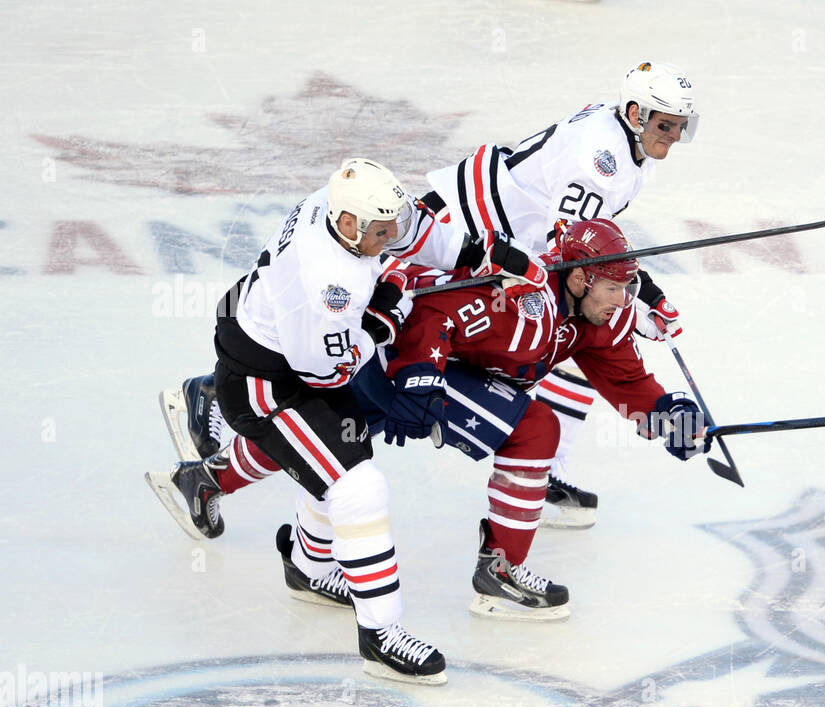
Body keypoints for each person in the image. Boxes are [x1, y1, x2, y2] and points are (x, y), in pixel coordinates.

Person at [159, 61, 701, 530]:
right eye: (666, 124)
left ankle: (539, 472)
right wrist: (644, 292)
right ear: (634, 114)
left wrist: (636, 292)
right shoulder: (601, 160)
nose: (675, 137)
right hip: (464, 230)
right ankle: (212, 393)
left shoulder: (623, 139)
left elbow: (585, 241)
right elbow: (578, 247)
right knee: (358, 343)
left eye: (683, 127)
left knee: (558, 349)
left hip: (500, 239)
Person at [146, 157, 546, 683]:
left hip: (270, 340)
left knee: (337, 458)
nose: (391, 238)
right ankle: (379, 634)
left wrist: (489, 255)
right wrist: (383, 317)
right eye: (380, 232)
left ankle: (309, 567)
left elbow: (414, 232)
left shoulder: (342, 205)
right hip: (269, 386)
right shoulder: (331, 284)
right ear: (352, 226)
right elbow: (331, 372)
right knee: (357, 487)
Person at [351, 217, 711, 621]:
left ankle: (306, 563)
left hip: (395, 365)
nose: (623, 301)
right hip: (400, 361)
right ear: (579, 278)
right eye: (613, 288)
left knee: (320, 446)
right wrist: (419, 376)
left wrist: (668, 418)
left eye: (627, 288)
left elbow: (625, 378)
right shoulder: (522, 297)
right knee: (535, 428)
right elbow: (434, 313)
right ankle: (499, 573)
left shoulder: (595, 316)